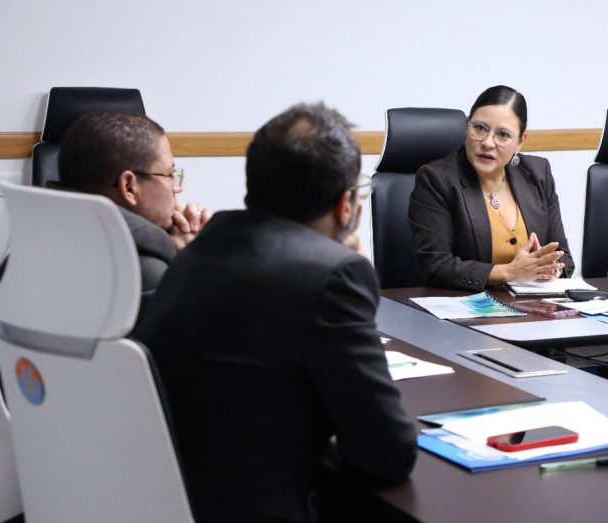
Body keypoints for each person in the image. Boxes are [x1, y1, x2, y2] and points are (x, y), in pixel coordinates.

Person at [135, 103, 417, 522]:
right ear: (345, 205)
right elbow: (386, 454)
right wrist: (342, 266)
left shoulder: (205, 244)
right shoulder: (334, 273)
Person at [409, 85, 574, 290]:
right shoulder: (437, 179)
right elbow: (437, 264)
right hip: (464, 302)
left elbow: (563, 255)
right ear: (467, 126)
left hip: (530, 303)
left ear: (520, 141)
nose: (487, 143)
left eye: (503, 134)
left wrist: (550, 268)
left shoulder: (538, 173)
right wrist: (509, 273)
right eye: (480, 128)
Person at [57, 111, 211, 297]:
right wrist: (199, 258)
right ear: (129, 187)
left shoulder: (46, 224)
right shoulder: (146, 269)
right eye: (170, 174)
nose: (177, 188)